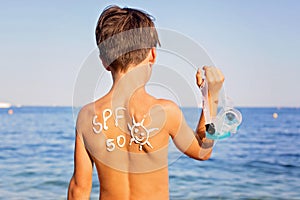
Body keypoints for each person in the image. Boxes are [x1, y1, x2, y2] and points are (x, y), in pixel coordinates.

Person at [68, 5, 224, 200]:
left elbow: (78, 190)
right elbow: (203, 150)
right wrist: (211, 98)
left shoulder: (87, 117)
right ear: (152, 54)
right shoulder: (165, 112)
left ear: (104, 61)